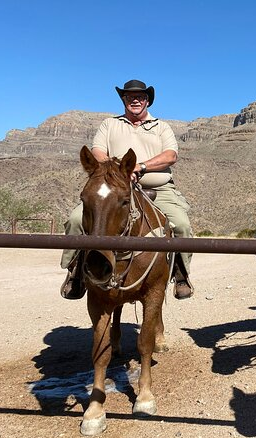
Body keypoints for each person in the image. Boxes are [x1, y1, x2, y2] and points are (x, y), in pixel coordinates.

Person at [60, 79, 194, 300]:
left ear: (147, 101)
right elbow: (97, 152)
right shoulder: (109, 125)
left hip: (157, 187)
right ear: (123, 99)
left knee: (181, 224)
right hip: (115, 188)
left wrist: (140, 167)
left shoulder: (161, 127)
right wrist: (118, 172)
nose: (135, 100)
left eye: (140, 96)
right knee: (76, 220)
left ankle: (181, 274)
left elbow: (171, 156)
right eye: (130, 96)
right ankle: (75, 272)